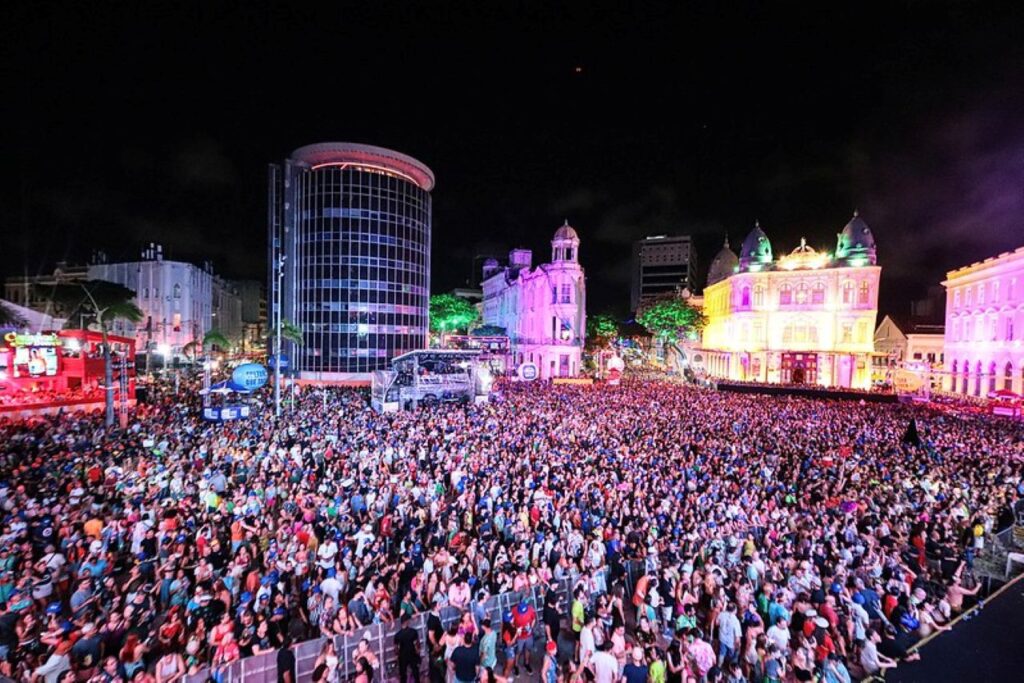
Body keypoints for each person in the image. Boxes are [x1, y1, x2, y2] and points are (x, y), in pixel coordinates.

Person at [512, 597, 536, 676]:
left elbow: (534, 619)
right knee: (518, 651)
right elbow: (511, 623)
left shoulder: (530, 609)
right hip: (519, 636)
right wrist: (516, 629)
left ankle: (527, 663)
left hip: (528, 635)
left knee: (528, 649)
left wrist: (531, 628)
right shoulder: (514, 610)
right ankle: (516, 665)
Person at [395, 613, 421, 683]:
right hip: (412, 654)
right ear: (407, 621)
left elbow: (396, 648)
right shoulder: (413, 632)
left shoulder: (397, 635)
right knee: (415, 672)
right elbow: (417, 644)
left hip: (402, 656)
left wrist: (397, 656)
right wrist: (418, 652)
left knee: (403, 674)